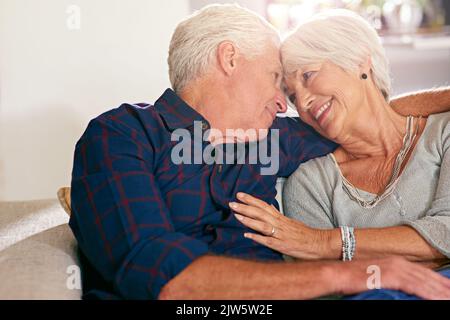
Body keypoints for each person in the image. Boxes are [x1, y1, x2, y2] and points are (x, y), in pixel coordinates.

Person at [70, 4, 450, 300]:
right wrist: (360, 272)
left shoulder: (267, 138)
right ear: (230, 58)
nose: (285, 105)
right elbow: (164, 279)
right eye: (275, 79)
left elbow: (366, 119)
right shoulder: (122, 135)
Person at [230, 10, 450, 299]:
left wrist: (323, 241)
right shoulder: (310, 182)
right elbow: (327, 287)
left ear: (360, 60)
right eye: (293, 97)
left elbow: (446, 231)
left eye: (308, 75)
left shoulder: (443, 131)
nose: (304, 102)